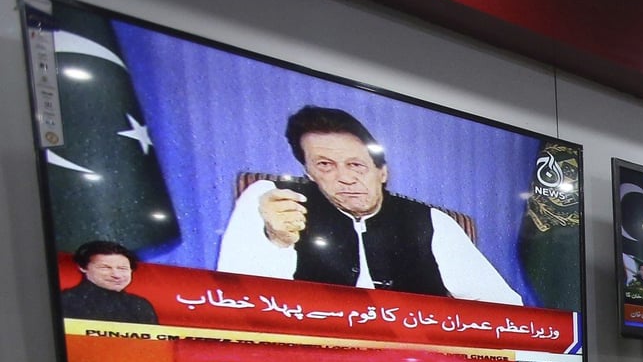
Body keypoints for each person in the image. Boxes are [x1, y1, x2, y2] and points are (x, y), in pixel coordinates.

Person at [217, 106, 523, 306]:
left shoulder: (432, 221)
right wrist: (278, 243)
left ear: (382, 172)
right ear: (309, 172)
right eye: (325, 165)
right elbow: (234, 302)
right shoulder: (271, 199)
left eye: (356, 165)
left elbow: (504, 308)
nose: (345, 178)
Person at [60, 240, 158, 324]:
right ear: (82, 267)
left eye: (122, 268)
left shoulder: (140, 305)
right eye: (105, 268)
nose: (116, 275)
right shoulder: (65, 300)